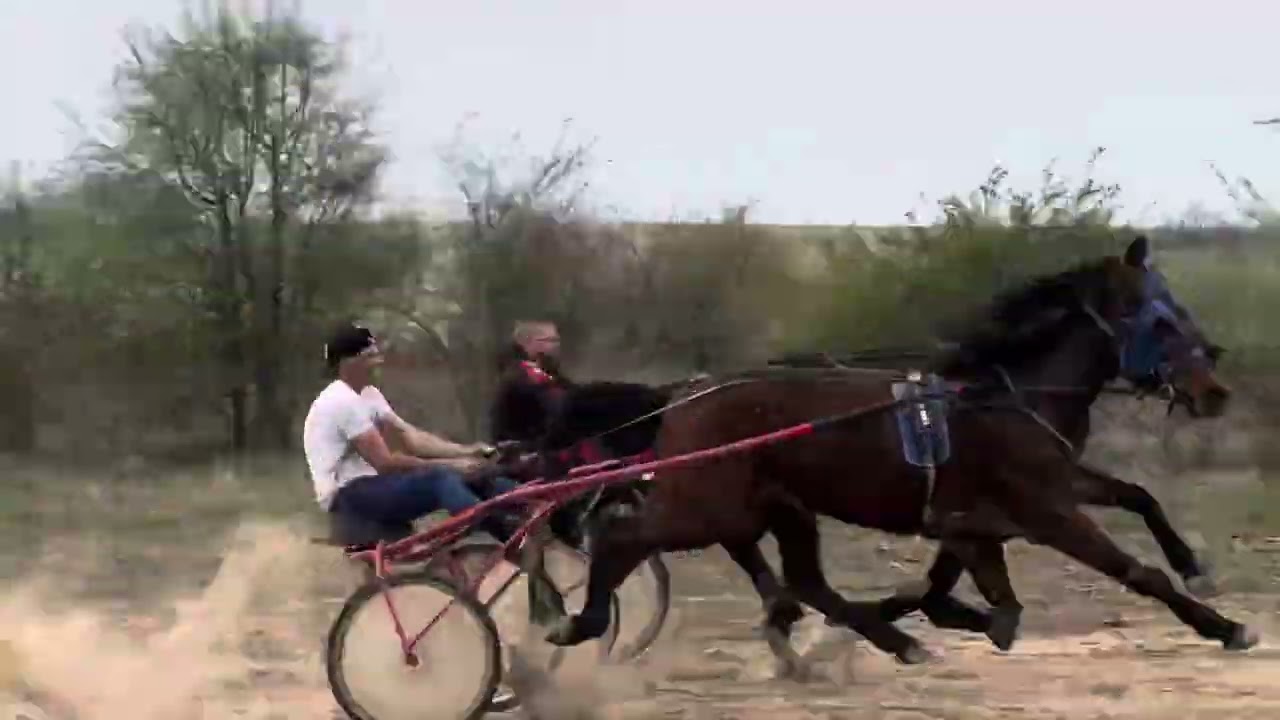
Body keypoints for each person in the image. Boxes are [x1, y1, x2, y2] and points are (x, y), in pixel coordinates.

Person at [303, 322, 523, 545]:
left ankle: (530, 505)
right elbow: (385, 462)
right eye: (370, 356)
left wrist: (467, 451)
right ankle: (506, 533)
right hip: (349, 495)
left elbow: (413, 438)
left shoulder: (369, 394)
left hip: (375, 485)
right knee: (440, 479)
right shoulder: (341, 400)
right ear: (348, 362)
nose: (379, 362)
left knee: (475, 475)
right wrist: (452, 464)